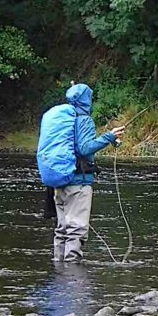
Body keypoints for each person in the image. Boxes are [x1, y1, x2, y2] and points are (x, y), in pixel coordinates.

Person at [37, 83, 123, 262]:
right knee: (77, 228)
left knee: (62, 229)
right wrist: (109, 136)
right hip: (78, 183)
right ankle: (72, 276)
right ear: (86, 100)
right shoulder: (84, 119)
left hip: (59, 181)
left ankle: (59, 269)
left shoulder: (64, 119)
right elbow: (84, 148)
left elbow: (76, 145)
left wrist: (109, 139)